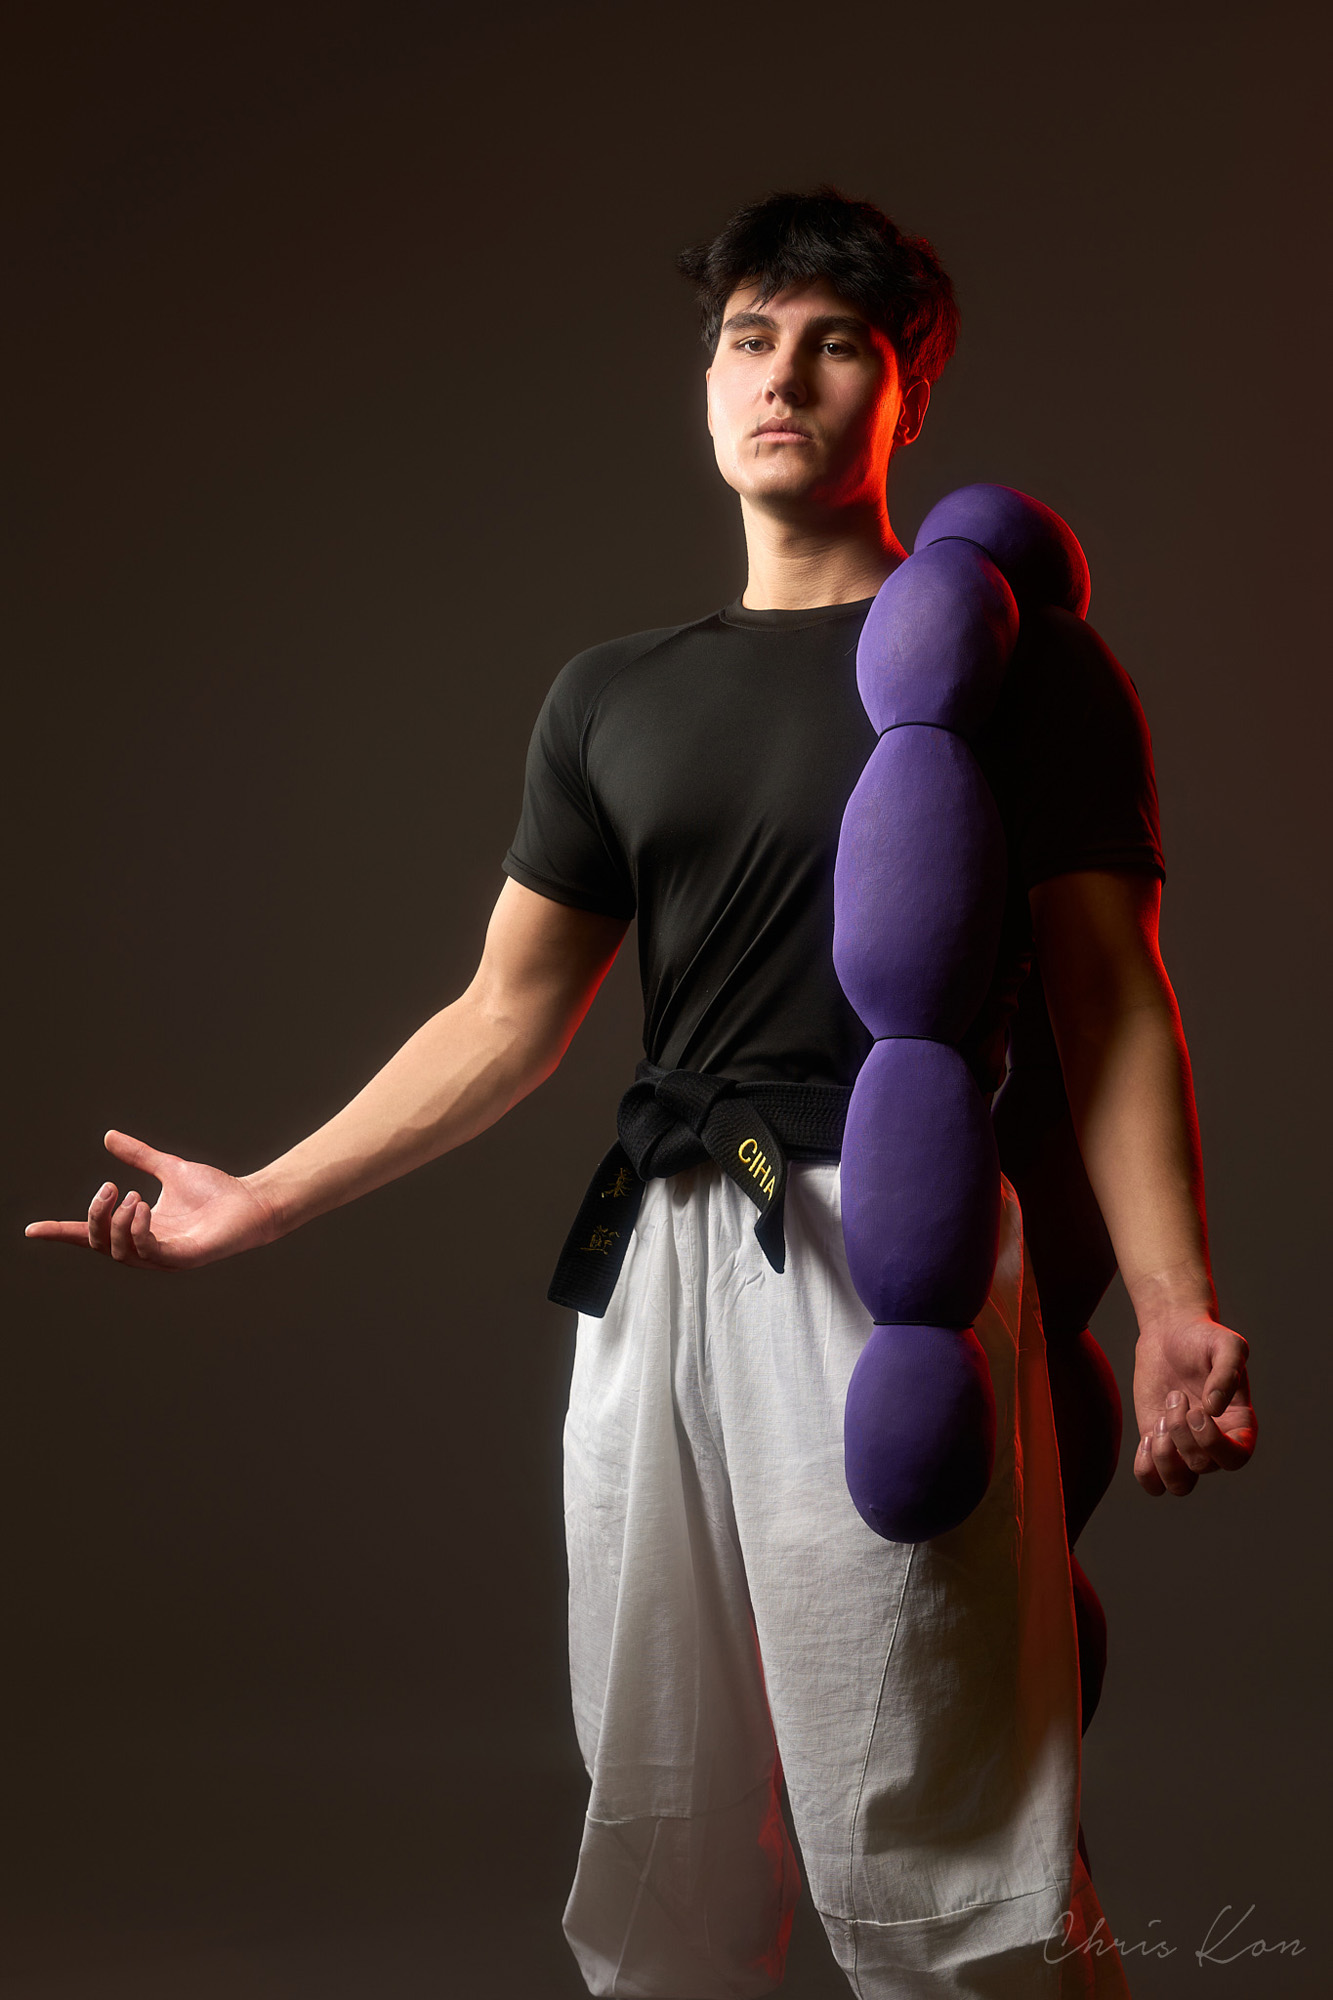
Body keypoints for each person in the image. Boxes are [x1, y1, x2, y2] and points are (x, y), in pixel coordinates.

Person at [27, 188, 1257, 1997]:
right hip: (656, 1254)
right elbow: (503, 1014)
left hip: (887, 1251)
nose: (784, 379)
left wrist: (1170, 1305)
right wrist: (262, 1196)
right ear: (706, 379)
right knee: (658, 1813)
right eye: (750, 340)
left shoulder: (1020, 669)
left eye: (837, 347)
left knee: (932, 1821)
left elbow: (1110, 1003)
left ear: (905, 391)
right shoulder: (611, 696)